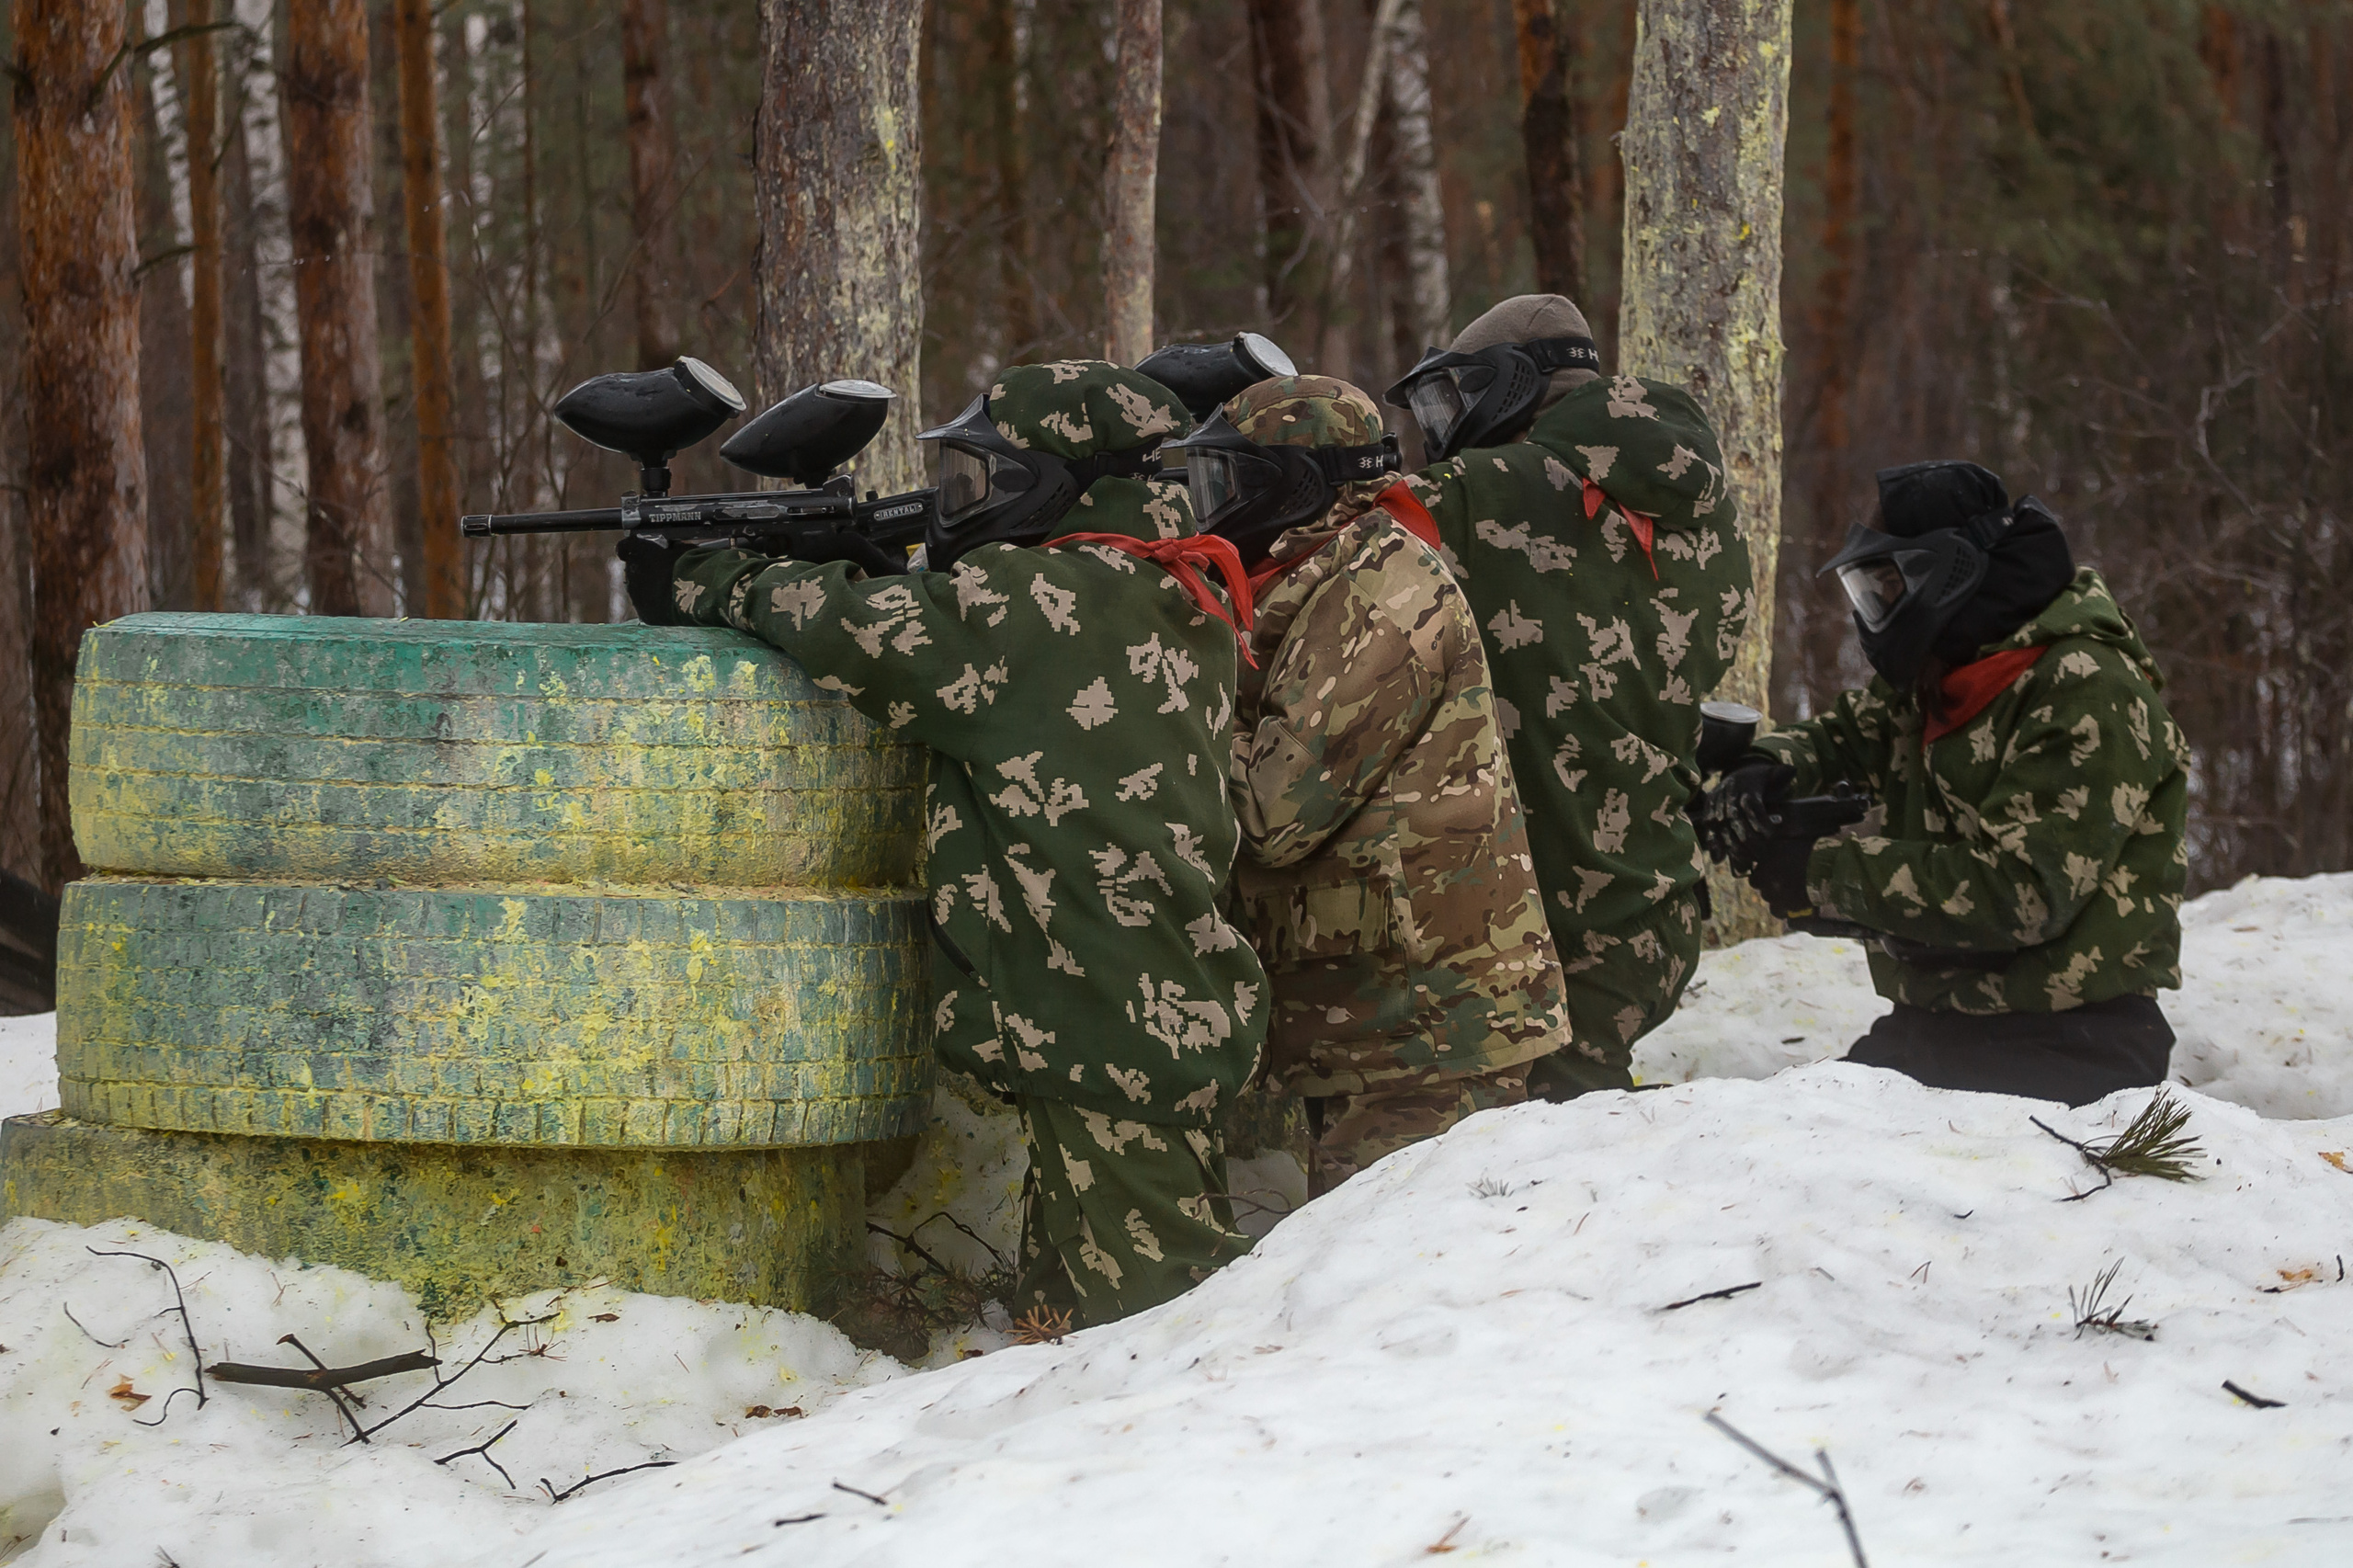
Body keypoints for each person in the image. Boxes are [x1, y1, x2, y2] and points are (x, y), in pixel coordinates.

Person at [619, 361, 1267, 1328]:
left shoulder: (1037, 597)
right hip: (1150, 990)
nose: (972, 500)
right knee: (1078, 1311)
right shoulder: (1170, 582)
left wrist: (716, 575)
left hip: (1101, 1008)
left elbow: (859, 631)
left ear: (1057, 481)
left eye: (991, 477)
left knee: (1163, 1329)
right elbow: (990, 655)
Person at [1174, 375, 1574, 1194]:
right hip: (1372, 1015)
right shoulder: (1320, 575)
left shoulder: (1384, 593)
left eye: (1229, 482)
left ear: (1296, 485)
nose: (1209, 506)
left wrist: (1182, 689)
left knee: (1416, 1262)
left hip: (1425, 1025)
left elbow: (1274, 811)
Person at [1721, 459, 2188, 1106]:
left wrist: (1821, 872)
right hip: (1941, 1022)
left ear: (1948, 573)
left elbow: (2020, 892)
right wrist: (1764, 768)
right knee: (1777, 1129)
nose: (1879, 608)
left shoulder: (2086, 688)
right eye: (1870, 590)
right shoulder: (1951, 670)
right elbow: (1848, 737)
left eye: (1889, 587)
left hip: (2072, 1043)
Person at [1382, 295, 1755, 1097]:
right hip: (1650, 900)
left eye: (1453, 398)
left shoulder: (1484, 492)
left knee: (1526, 1155)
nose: (1444, 427)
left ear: (1512, 384)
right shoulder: (1709, 511)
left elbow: (1325, 553)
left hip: (1539, 918)